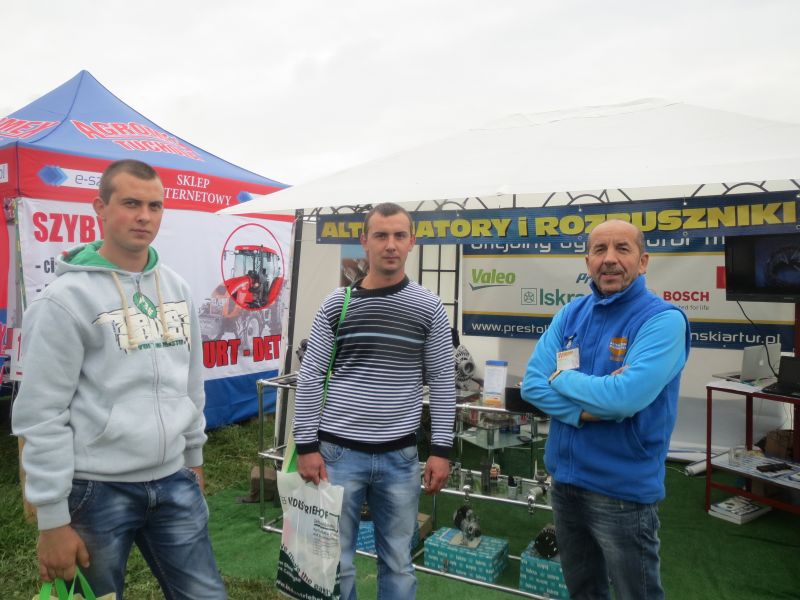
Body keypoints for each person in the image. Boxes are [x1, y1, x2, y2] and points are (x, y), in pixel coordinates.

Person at [12, 159, 227, 599]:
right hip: (96, 489)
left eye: (154, 206)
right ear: (100, 208)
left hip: (174, 480)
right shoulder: (63, 300)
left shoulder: (178, 289)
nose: (144, 216)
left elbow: (191, 383)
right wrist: (52, 520)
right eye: (131, 203)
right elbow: (42, 415)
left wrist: (193, 458)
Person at [293, 202, 455, 600]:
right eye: (381, 235)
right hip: (337, 455)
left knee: (398, 562)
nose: (390, 244)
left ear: (412, 241)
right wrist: (306, 445)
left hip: (400, 458)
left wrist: (441, 449)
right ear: (364, 241)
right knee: (333, 563)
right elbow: (310, 376)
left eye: (399, 235)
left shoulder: (429, 307)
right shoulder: (337, 304)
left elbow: (442, 380)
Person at [521, 219, 690, 600]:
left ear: (643, 261)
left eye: (622, 249)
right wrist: (581, 412)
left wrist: (561, 378)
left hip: (622, 493)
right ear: (588, 261)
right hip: (565, 484)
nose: (609, 259)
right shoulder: (571, 313)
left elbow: (622, 399)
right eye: (599, 250)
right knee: (583, 591)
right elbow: (532, 385)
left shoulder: (663, 320)